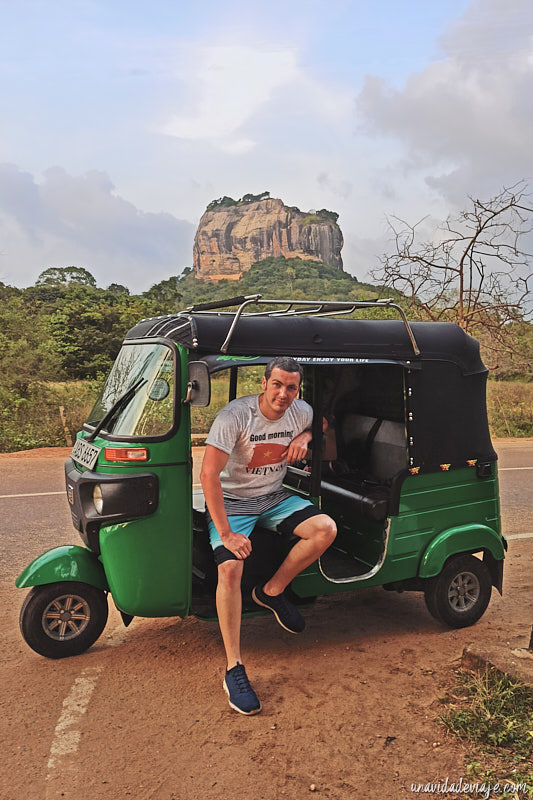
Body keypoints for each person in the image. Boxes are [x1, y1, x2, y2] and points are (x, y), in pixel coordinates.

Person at [200, 356, 337, 715]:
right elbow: (208, 475)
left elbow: (321, 421)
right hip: (232, 503)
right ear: (264, 383)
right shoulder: (235, 416)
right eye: (277, 384)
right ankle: (234, 668)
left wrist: (308, 435)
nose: (283, 393)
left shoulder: (299, 410)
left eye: (291, 387)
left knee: (326, 529)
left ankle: (271, 592)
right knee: (229, 569)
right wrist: (227, 534)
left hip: (274, 497)